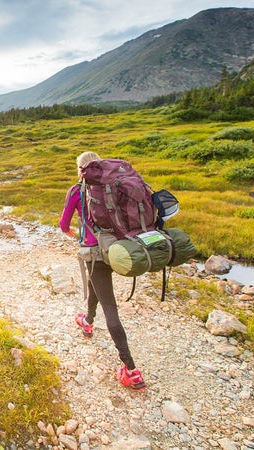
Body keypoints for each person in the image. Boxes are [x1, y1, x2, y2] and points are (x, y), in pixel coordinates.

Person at [59, 151, 146, 391]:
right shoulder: (112, 186)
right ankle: (87, 321)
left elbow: (63, 224)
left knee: (110, 306)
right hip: (118, 249)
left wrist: (76, 235)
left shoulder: (76, 191)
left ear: (80, 169)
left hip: (94, 252)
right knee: (97, 285)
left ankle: (131, 369)